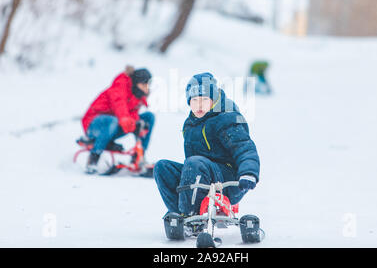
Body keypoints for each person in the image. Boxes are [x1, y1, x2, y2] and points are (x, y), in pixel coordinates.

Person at [154, 72, 260, 220]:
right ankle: (178, 212)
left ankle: (189, 215)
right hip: (199, 177)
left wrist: (248, 173)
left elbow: (244, 148)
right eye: (195, 100)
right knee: (162, 167)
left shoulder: (225, 119)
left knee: (195, 163)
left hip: (228, 181)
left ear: (213, 100)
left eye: (204, 99)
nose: (199, 105)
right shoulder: (190, 124)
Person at [81, 66, 154, 174]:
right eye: (144, 84)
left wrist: (137, 123)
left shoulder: (137, 95)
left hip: (115, 126)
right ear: (136, 82)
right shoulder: (120, 85)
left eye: (148, 84)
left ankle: (139, 157)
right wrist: (128, 121)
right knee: (112, 121)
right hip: (94, 125)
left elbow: (132, 114)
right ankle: (93, 158)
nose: (146, 87)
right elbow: (119, 105)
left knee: (148, 117)